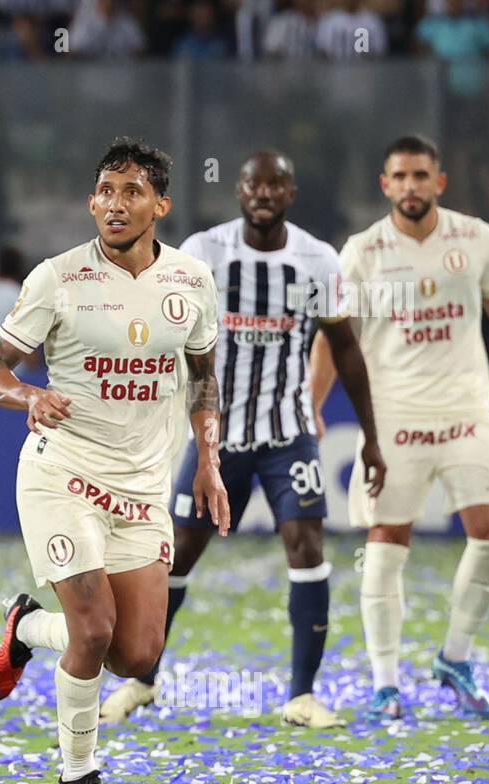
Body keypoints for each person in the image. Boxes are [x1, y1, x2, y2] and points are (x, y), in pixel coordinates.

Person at [0, 137, 228, 784]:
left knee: (136, 653)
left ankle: (25, 627)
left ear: (160, 205)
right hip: (64, 475)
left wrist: (208, 460)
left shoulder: (192, 282)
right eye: (106, 193)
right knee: (91, 629)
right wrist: (30, 396)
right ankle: (78, 777)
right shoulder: (57, 278)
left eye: (132, 192)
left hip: (143, 490)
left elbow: (205, 379)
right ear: (91, 201)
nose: (116, 205)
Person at [99, 151, 385, 728]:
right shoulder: (205, 252)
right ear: (238, 191)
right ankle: (142, 682)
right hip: (215, 439)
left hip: (289, 434)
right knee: (176, 556)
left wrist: (372, 437)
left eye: (276, 183)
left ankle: (302, 695)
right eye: (254, 183)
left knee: (308, 552)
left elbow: (348, 352)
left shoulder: (317, 260)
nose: (263, 193)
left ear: (290, 193)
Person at [310, 134, 489, 720]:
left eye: (422, 175)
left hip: (469, 411)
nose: (411, 186)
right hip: (391, 417)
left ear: (438, 182)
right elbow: (336, 338)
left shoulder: (476, 238)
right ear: (384, 185)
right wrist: (311, 405)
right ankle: (386, 685)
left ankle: (455, 658)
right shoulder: (361, 251)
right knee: (387, 543)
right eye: (401, 177)